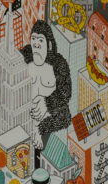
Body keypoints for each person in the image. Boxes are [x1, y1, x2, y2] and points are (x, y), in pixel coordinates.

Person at [21, 20, 72, 155]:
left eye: (40, 40)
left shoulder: (58, 65)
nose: (36, 44)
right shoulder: (23, 60)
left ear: (49, 44)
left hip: (47, 121)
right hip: (24, 117)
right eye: (33, 39)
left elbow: (65, 95)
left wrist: (47, 104)